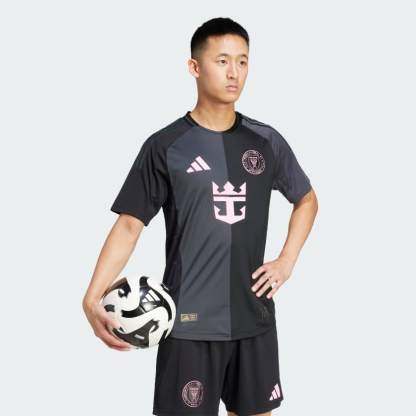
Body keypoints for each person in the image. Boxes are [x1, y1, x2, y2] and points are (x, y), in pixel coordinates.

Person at [82, 17, 318, 416]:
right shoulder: (165, 146)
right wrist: (93, 295)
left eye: (242, 61)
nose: (234, 72)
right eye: (222, 61)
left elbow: (307, 199)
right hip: (187, 325)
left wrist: (287, 260)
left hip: (254, 318)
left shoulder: (266, 141)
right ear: (195, 67)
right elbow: (129, 224)